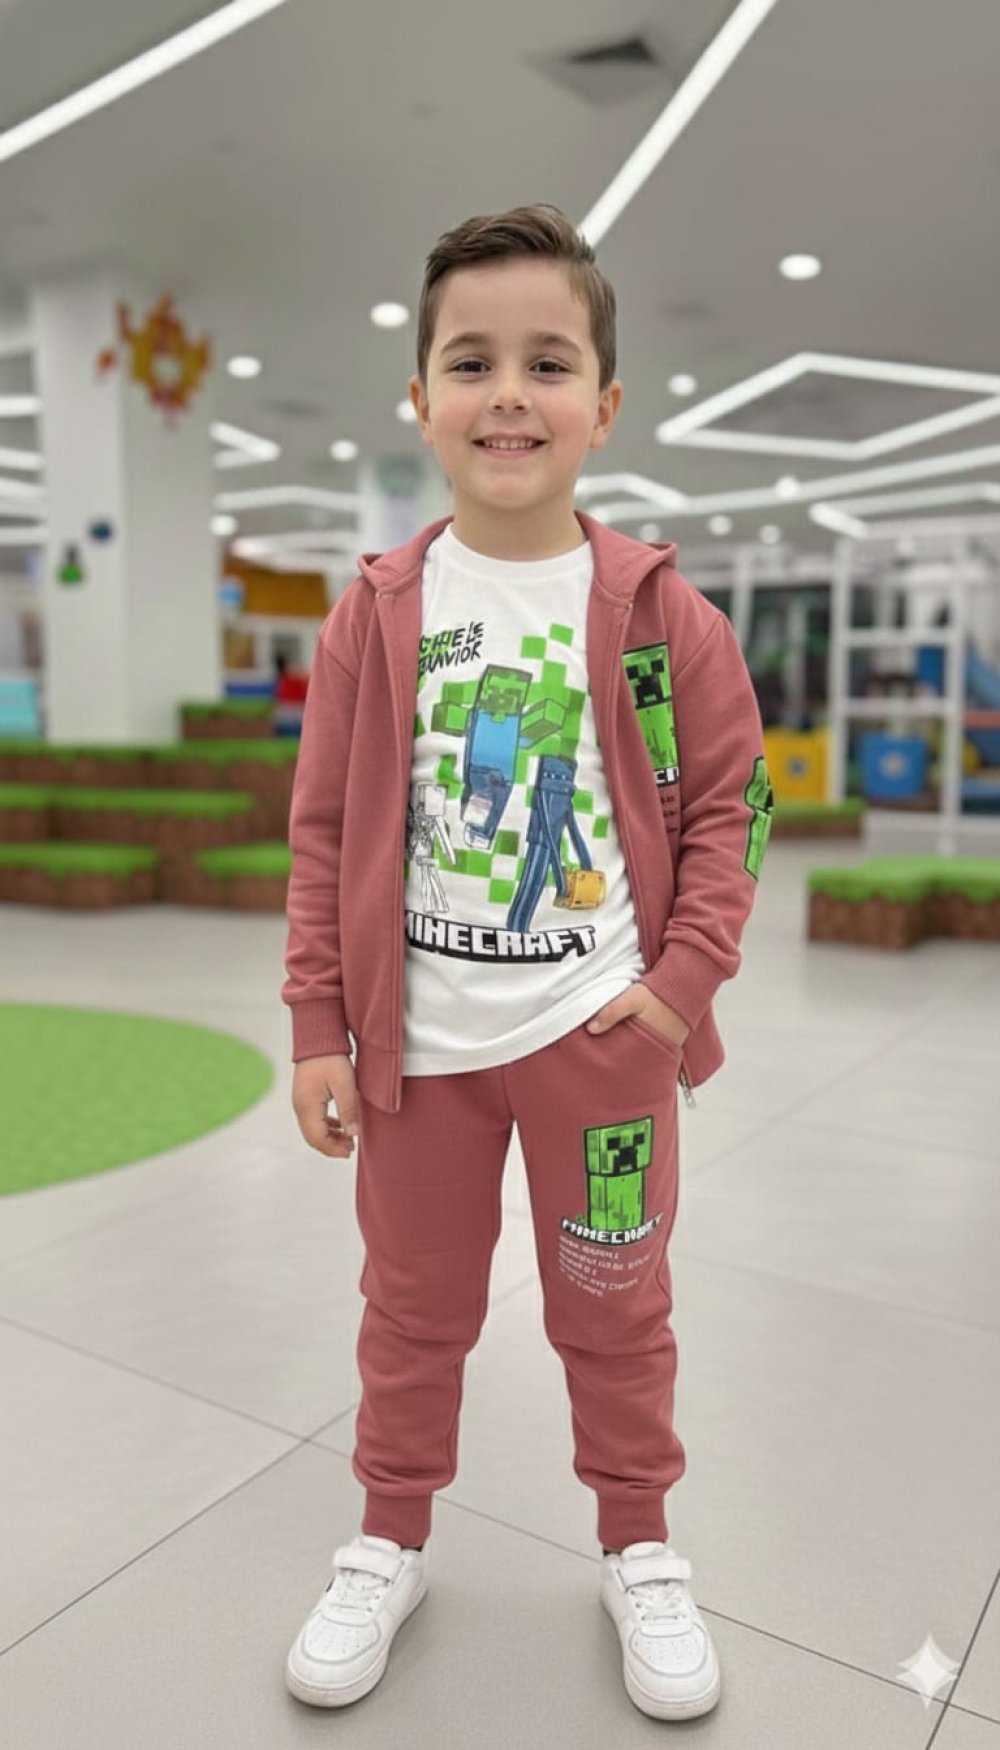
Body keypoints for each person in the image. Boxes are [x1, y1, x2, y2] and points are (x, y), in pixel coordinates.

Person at [280, 203, 772, 1721]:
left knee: (616, 1307)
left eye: (548, 363)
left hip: (600, 1045)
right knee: (412, 1310)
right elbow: (323, 829)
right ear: (420, 398)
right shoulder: (377, 616)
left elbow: (734, 811)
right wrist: (318, 1021)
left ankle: (641, 1546)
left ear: (603, 405)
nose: (510, 394)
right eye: (471, 362)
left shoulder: (664, 617)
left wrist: (676, 994)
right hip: (418, 1057)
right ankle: (387, 1539)